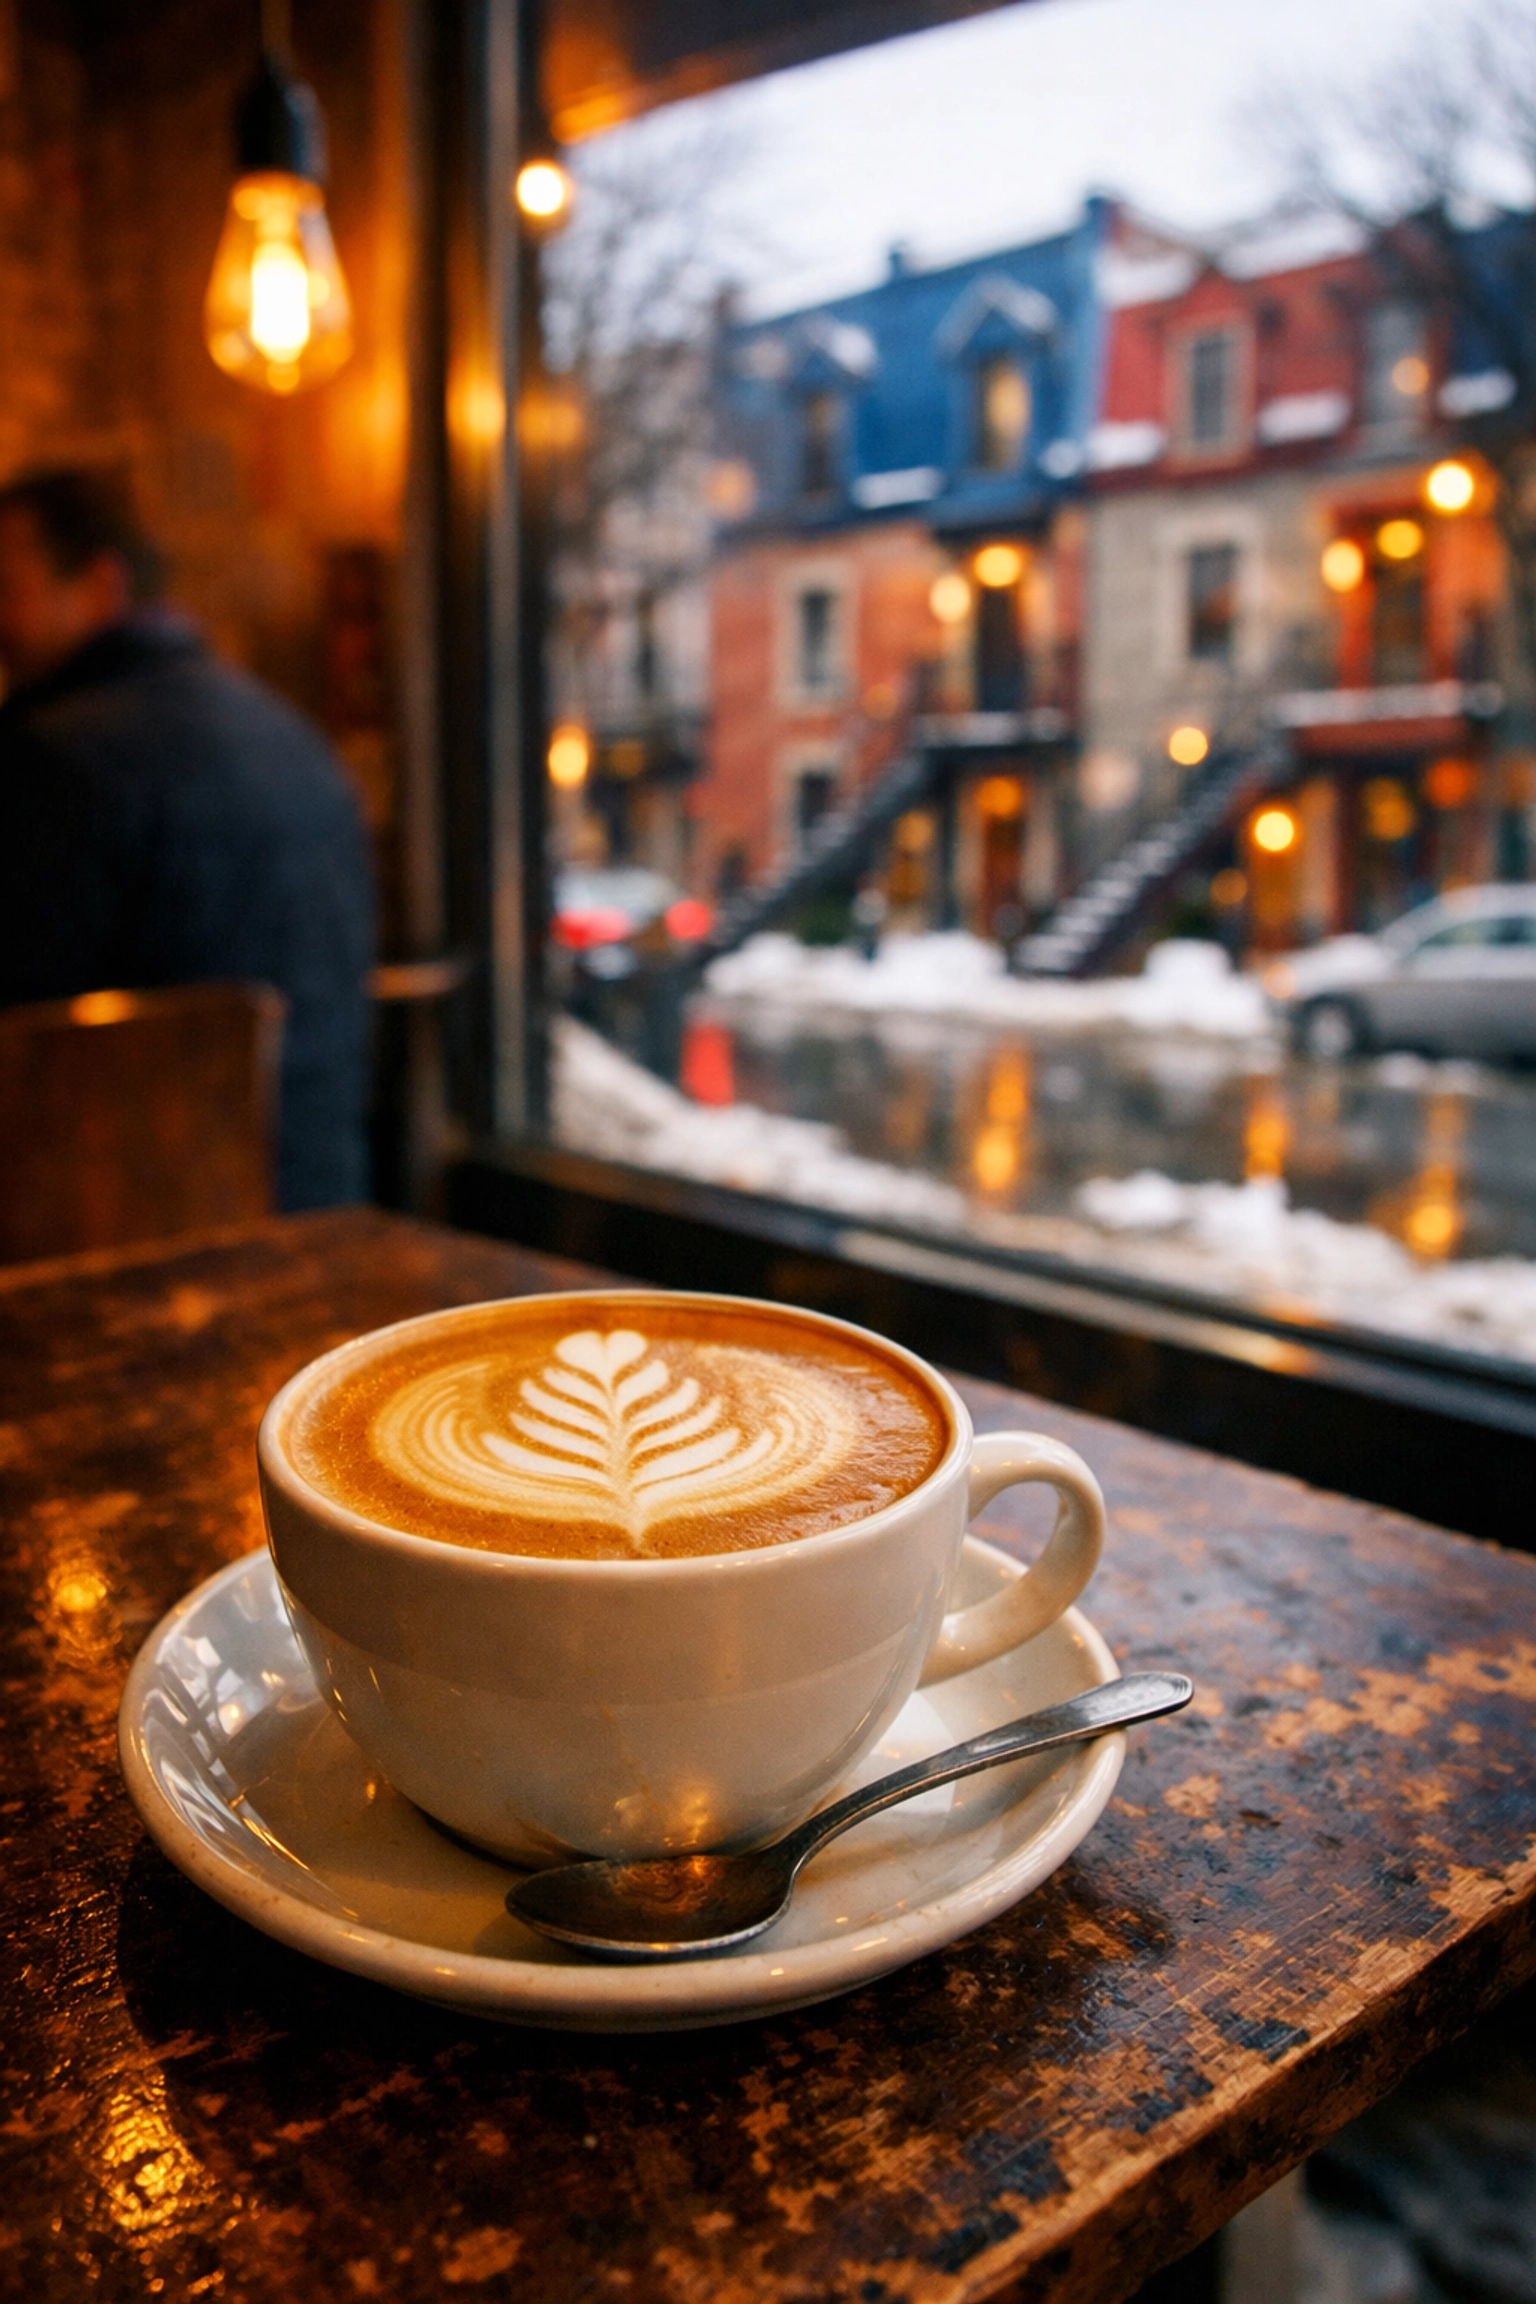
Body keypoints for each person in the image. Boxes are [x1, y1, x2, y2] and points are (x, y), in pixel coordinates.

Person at [0, 466, 374, 1210]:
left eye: (7, 590)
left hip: (138, 1233)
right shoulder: (289, 732)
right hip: (319, 1201)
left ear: (102, 584)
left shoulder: (49, 758)